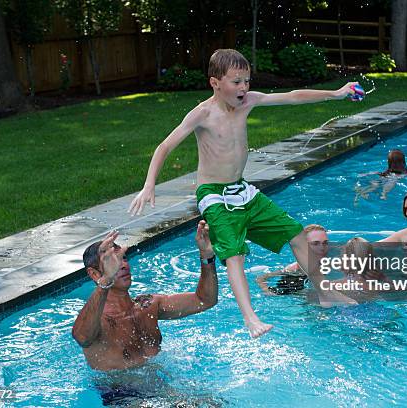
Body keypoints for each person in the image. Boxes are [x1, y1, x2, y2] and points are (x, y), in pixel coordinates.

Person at [127, 49, 360, 337]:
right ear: (215, 83)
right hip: (214, 195)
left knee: (296, 232)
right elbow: (164, 146)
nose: (244, 88)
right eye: (236, 82)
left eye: (247, 81)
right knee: (235, 254)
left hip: (242, 189)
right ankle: (250, 319)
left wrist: (337, 94)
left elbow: (293, 96)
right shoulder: (203, 113)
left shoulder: (248, 102)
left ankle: (325, 293)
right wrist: (149, 184)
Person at [72, 221, 218, 371]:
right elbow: (82, 338)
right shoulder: (97, 321)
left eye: (123, 258)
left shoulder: (148, 305)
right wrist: (107, 279)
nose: (122, 265)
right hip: (119, 392)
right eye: (112, 261)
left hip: (159, 383)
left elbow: (205, 300)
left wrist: (206, 256)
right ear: (95, 274)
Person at [256, 224, 329, 296]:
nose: (322, 248)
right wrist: (267, 290)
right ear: (303, 245)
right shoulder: (293, 269)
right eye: (315, 243)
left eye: (325, 243)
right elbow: (261, 279)